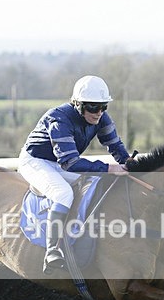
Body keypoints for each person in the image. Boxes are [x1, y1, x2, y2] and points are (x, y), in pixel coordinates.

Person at [18, 75, 130, 274]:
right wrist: (109, 168)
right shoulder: (59, 118)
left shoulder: (101, 117)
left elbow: (115, 145)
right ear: (77, 104)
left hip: (61, 161)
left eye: (104, 106)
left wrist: (128, 163)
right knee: (63, 193)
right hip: (36, 161)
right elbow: (70, 162)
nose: (99, 113)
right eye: (93, 107)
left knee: (95, 182)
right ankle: (52, 251)